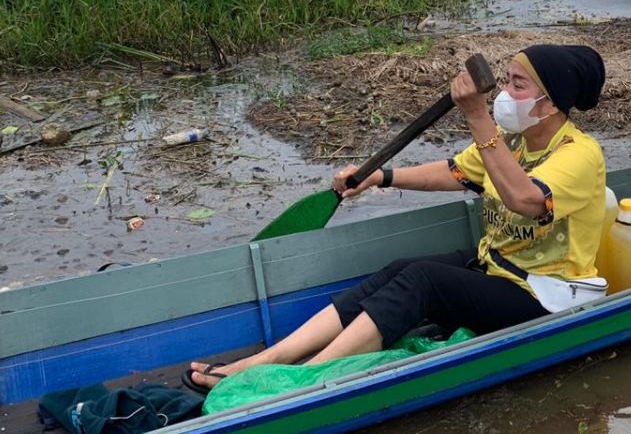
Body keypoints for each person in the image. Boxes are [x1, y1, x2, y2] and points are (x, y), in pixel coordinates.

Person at [184, 44, 607, 393]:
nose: (504, 93)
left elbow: (523, 199)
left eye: (518, 84)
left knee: (423, 280)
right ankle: (268, 359)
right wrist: (378, 178)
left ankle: (298, 380)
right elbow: (455, 173)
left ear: (549, 102)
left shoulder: (579, 154)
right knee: (399, 270)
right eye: (508, 80)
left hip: (546, 295)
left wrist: (478, 118)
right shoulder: (511, 141)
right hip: (498, 267)